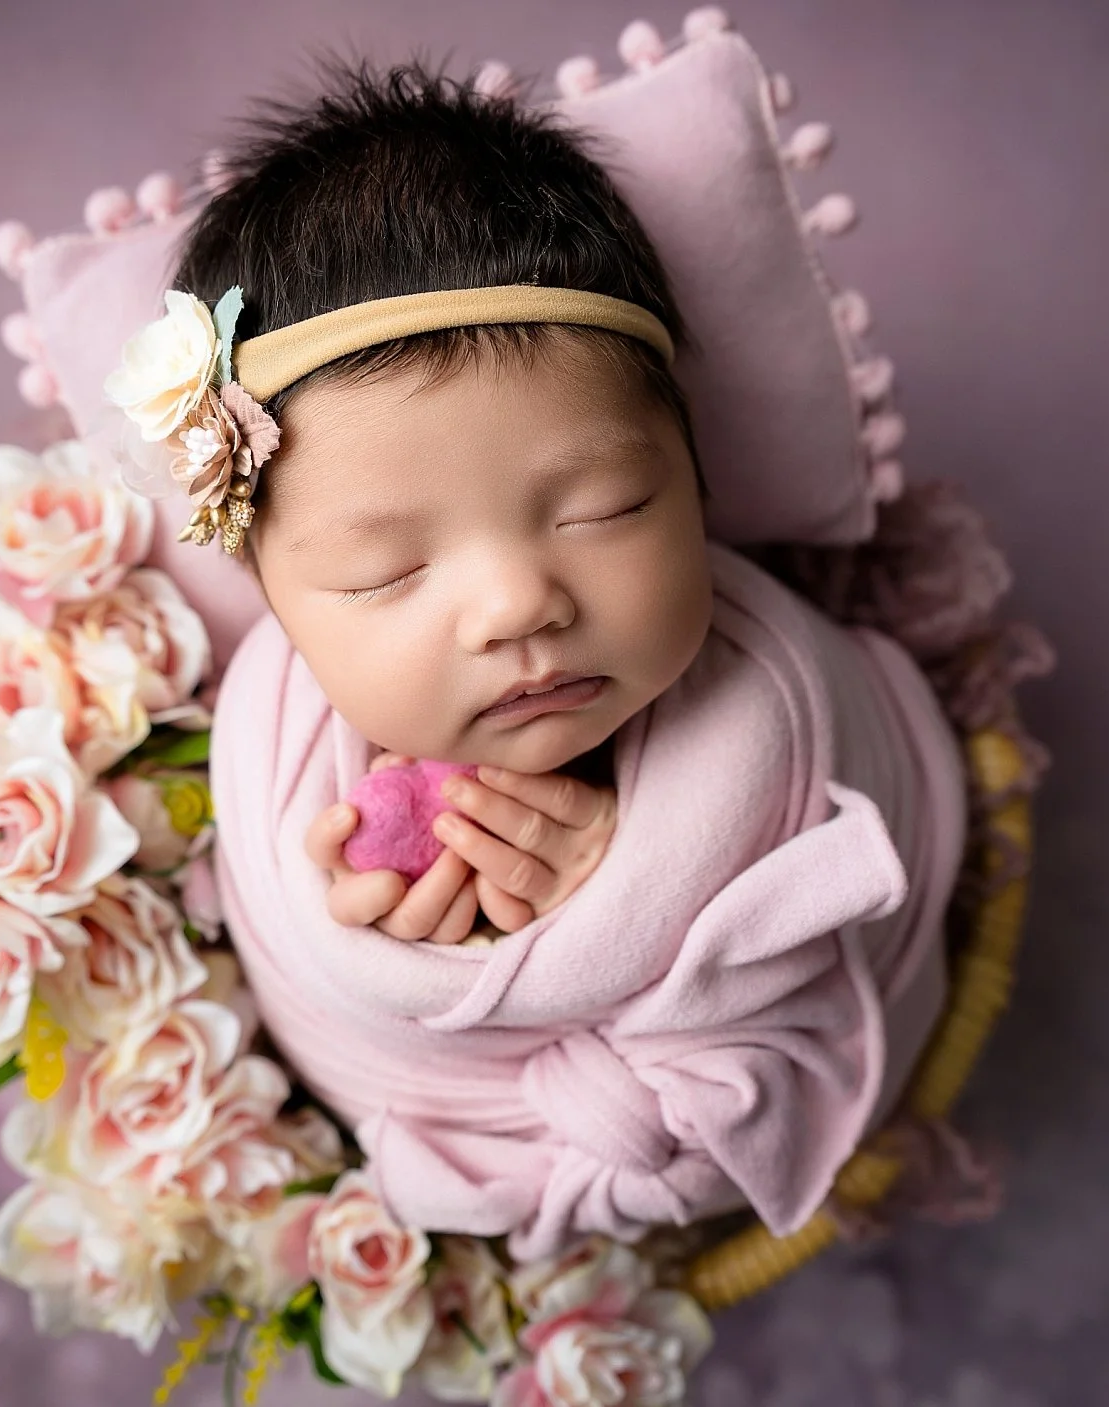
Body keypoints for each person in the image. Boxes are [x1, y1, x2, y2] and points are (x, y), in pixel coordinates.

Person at [114, 60, 968, 1258]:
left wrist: (630, 909)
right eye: (381, 574)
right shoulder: (274, 749)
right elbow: (319, 1009)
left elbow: (846, 823)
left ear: (694, 472)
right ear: (275, 608)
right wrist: (389, 948)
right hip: (481, 1161)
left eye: (604, 507)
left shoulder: (771, 679)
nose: (517, 603)